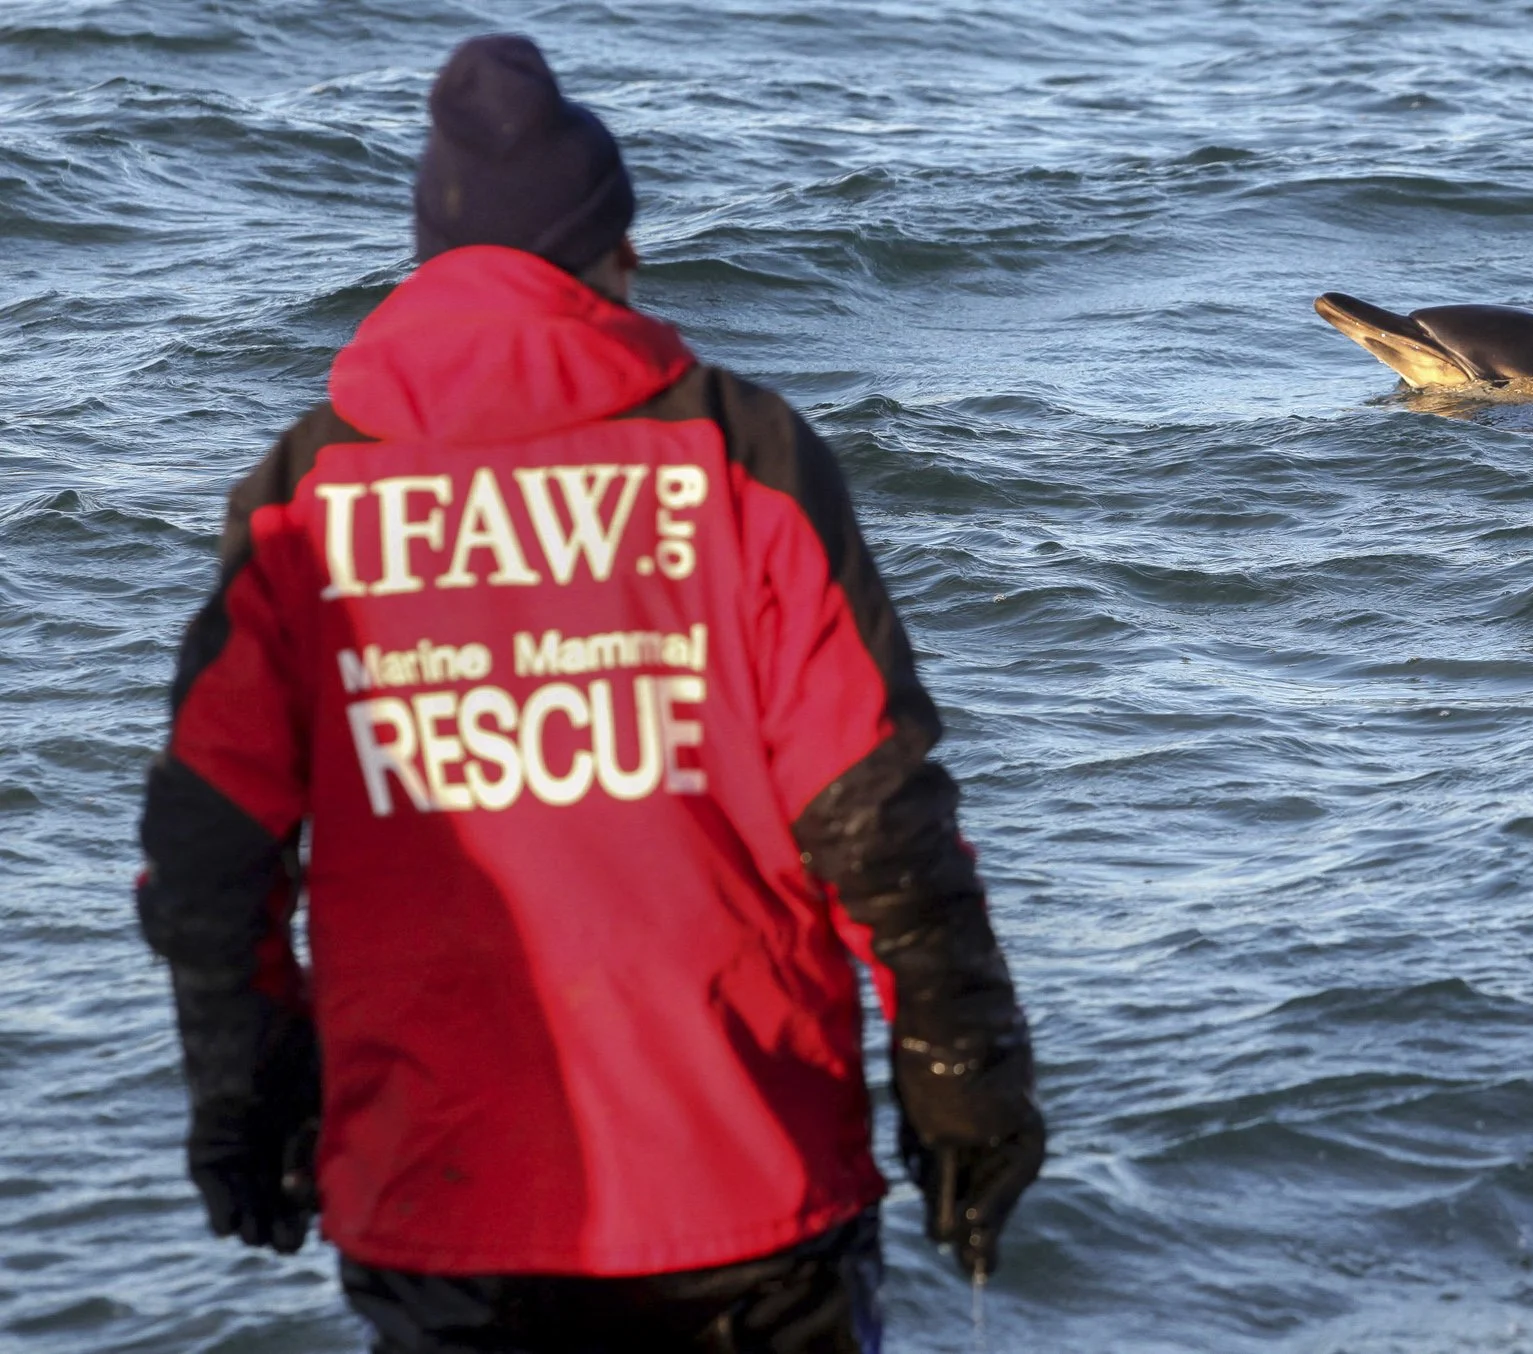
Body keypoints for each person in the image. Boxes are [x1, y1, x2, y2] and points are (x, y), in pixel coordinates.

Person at [135, 33, 1043, 1354]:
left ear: (431, 270)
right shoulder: (743, 458)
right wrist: (970, 1093)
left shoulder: (302, 501)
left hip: (436, 1203)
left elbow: (207, 851)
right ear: (612, 254)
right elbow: (880, 821)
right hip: (744, 1192)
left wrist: (248, 1102)